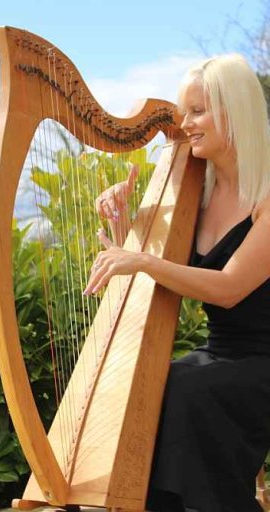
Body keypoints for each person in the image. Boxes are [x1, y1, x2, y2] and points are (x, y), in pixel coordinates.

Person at [84, 53, 270, 512]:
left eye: (198, 110)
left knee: (188, 392)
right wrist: (125, 215)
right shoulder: (196, 189)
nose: (184, 123)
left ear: (236, 111)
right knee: (149, 391)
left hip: (263, 362)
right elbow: (158, 258)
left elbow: (227, 288)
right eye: (184, 111)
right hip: (220, 354)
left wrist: (143, 260)